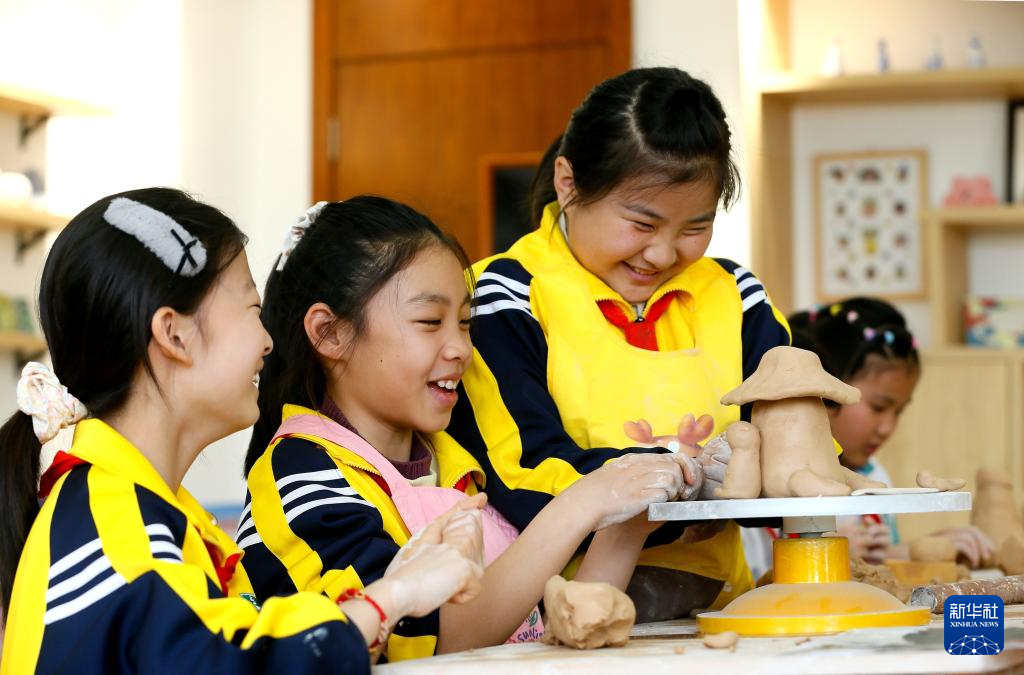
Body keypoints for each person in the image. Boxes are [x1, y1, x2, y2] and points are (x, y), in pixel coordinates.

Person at [0, 188, 483, 675]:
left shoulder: (153, 512)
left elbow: (237, 643)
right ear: (174, 335)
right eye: (253, 310)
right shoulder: (113, 522)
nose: (269, 341)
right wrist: (390, 597)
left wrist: (397, 586)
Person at [240, 196, 699, 661]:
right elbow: (422, 640)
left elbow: (557, 629)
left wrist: (629, 519)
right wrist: (582, 501)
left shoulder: (458, 462)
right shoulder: (300, 476)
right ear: (330, 333)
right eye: (430, 322)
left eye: (464, 323)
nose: (461, 348)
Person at [445, 67, 793, 621]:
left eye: (694, 228)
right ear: (568, 183)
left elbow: (795, 455)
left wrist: (765, 471)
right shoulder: (504, 295)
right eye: (641, 224)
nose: (662, 254)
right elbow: (524, 476)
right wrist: (691, 484)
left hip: (719, 610)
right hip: (556, 615)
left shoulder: (737, 294)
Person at [788, 297, 993, 566]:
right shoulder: (780, 481)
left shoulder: (875, 476)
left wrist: (913, 550)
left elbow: (882, 566)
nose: (888, 428)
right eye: (878, 407)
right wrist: (831, 552)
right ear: (824, 392)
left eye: (899, 411)